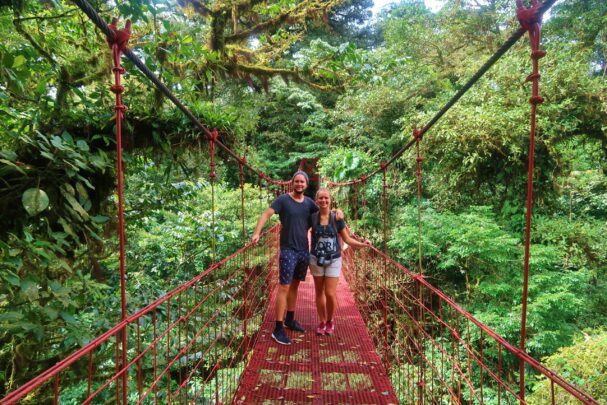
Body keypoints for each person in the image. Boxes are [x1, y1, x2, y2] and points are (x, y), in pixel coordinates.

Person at [251, 170, 318, 345]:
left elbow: (325, 214)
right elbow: (266, 214)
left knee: (295, 286)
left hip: (304, 250)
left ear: (306, 184)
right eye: (297, 181)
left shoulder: (310, 204)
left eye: (302, 182)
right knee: (284, 287)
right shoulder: (283, 200)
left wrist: (339, 216)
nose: (299, 184)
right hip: (288, 250)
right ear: (292, 183)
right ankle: (278, 328)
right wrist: (256, 234)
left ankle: (290, 318)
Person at [309, 188, 370, 336]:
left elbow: (347, 239)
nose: (323, 201)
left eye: (326, 198)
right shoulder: (312, 217)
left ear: (330, 200)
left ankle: (330, 320)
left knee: (330, 293)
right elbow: (297, 225)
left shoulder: (337, 218)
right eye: (320, 198)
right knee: (319, 292)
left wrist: (363, 244)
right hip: (316, 258)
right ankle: (322, 322)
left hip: (334, 259)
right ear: (316, 201)